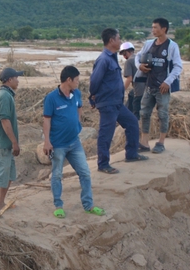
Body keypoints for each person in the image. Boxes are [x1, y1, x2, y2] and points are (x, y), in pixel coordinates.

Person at [43, 66, 106, 217]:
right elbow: (46, 121)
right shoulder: (51, 98)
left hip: (74, 142)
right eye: (77, 79)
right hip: (58, 144)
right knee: (57, 175)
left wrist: (77, 123)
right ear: (68, 80)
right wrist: (47, 142)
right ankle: (58, 205)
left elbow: (79, 107)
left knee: (85, 173)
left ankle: (88, 205)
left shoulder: (76, 93)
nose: (79, 82)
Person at [90, 28, 148, 174]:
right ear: (111, 41)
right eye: (118, 38)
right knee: (106, 133)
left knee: (132, 123)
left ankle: (131, 154)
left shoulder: (112, 57)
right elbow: (94, 81)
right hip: (108, 103)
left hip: (117, 103)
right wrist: (93, 96)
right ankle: (103, 164)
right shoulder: (103, 60)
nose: (120, 41)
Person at [138, 18, 183, 153]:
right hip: (149, 85)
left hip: (162, 87)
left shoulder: (172, 46)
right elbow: (138, 57)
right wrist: (139, 66)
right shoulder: (148, 44)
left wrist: (168, 82)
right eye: (152, 27)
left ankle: (161, 142)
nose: (153, 30)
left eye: (155, 27)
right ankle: (144, 142)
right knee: (144, 113)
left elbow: (178, 66)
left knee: (162, 114)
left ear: (164, 29)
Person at [0, 67, 23, 213]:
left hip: (1, 143)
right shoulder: (5, 97)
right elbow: (4, 120)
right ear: (9, 80)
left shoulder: (1, 95)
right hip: (2, 144)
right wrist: (14, 142)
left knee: (8, 174)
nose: (18, 81)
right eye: (16, 78)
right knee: (0, 175)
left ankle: (0, 203)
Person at [121, 41, 147, 118]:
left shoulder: (129, 61)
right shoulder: (139, 58)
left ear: (127, 52)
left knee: (136, 112)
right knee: (131, 94)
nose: (124, 56)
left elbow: (129, 79)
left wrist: (122, 91)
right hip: (147, 89)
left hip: (139, 91)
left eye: (124, 54)